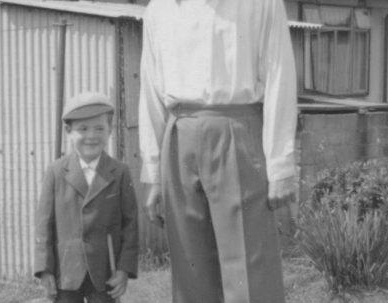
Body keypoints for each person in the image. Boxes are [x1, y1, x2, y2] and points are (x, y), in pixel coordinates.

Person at [138, 0, 297, 302]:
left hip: (237, 131)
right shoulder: (159, 9)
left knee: (249, 269)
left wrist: (280, 166)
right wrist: (154, 173)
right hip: (179, 134)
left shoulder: (262, 4)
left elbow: (280, 78)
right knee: (190, 266)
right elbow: (150, 90)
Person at [34, 92, 139, 303]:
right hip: (65, 273)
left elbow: (130, 225)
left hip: (105, 273)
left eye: (99, 128)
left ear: (110, 131)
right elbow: (43, 225)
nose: (91, 136)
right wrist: (44, 270)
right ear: (69, 131)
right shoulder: (55, 172)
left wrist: (124, 270)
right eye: (83, 129)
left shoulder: (119, 172)